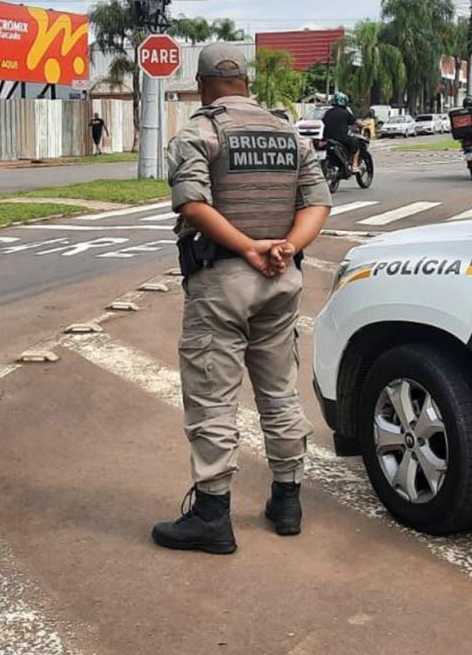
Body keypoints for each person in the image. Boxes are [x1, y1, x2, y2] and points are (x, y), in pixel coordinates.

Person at [153, 42, 332, 556]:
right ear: (247, 82)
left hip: (222, 281)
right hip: (282, 280)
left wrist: (247, 247)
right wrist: (285, 248)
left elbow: (192, 203)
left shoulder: (198, 132)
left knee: (213, 397)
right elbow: (317, 202)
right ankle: (287, 501)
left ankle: (211, 516)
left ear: (204, 85)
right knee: (278, 392)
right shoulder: (288, 134)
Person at [321, 91, 361, 172]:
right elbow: (356, 123)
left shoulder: (327, 113)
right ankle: (354, 165)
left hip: (327, 138)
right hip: (341, 138)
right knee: (356, 145)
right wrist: (364, 123)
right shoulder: (345, 113)